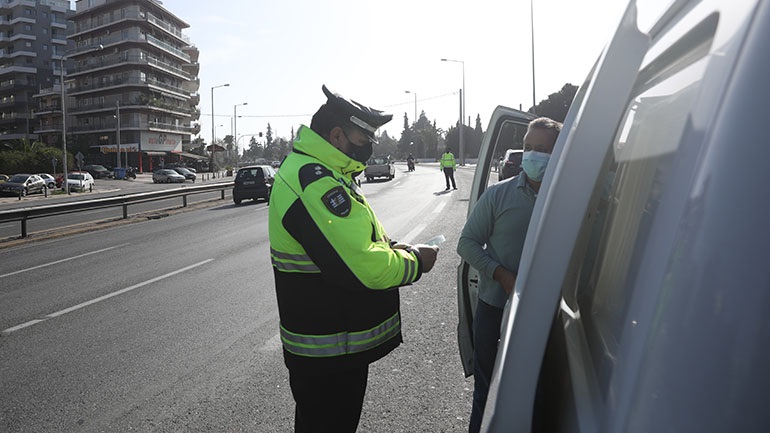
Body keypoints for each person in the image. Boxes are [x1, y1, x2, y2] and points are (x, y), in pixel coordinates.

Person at [268, 84, 440, 433]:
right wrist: (416, 262)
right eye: (364, 138)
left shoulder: (327, 172)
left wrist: (394, 246)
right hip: (328, 352)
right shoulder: (313, 180)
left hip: (331, 346)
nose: (371, 147)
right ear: (336, 135)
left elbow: (358, 240)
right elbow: (365, 268)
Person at [456, 117, 561, 433]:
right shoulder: (498, 195)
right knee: (486, 392)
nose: (532, 155)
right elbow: (467, 243)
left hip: (549, 315)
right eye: (528, 147)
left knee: (541, 394)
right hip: (495, 308)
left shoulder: (568, 199)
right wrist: (500, 274)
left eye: (541, 149)